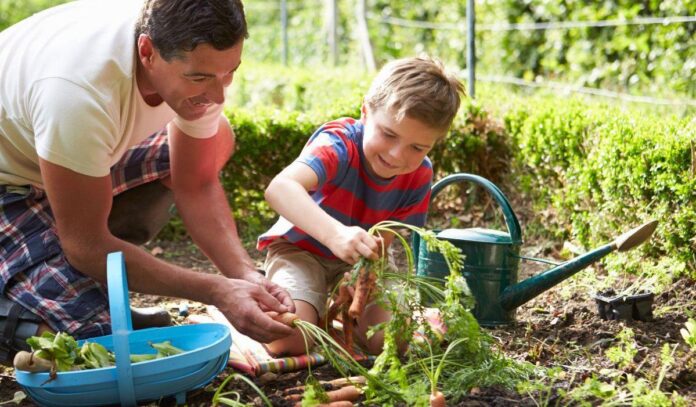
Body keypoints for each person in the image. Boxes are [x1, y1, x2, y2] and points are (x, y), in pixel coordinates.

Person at [0, 0, 295, 365]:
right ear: (147, 52)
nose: (219, 95)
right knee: (95, 343)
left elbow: (197, 182)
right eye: (200, 77)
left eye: (230, 72)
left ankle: (84, 273)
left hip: (63, 155)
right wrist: (217, 291)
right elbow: (85, 244)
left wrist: (245, 276)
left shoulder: (195, 58)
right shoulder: (79, 92)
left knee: (216, 137)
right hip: (9, 180)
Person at [257, 56, 465, 356]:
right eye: (389, 134)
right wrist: (335, 235)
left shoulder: (420, 175)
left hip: (363, 262)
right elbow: (280, 188)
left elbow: (384, 242)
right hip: (301, 251)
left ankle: (345, 317)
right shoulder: (339, 143)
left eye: (417, 148)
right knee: (287, 339)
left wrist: (360, 276)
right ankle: (294, 303)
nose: (396, 155)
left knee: (390, 342)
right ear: (365, 112)